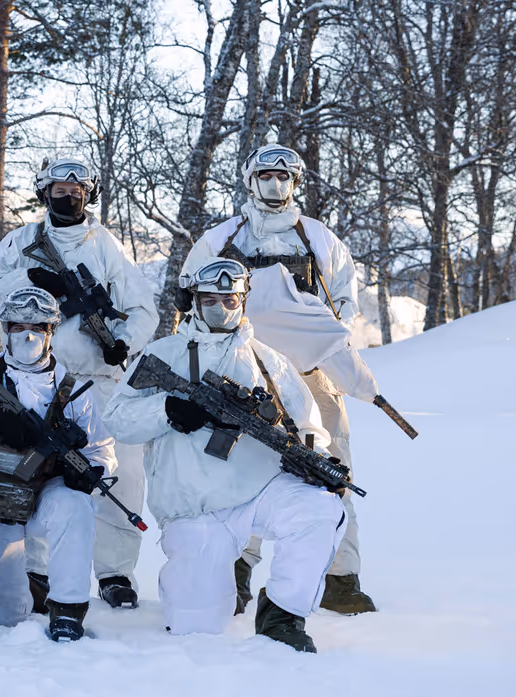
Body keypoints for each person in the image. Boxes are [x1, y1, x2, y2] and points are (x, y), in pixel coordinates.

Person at [103, 257, 345, 652]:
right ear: (194, 301)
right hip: (193, 507)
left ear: (243, 301)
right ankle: (210, 583)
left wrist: (314, 456)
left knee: (319, 508)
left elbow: (307, 424)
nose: (221, 308)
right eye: (210, 299)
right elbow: (117, 418)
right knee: (196, 631)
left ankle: (282, 615)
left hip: (259, 492)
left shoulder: (269, 361)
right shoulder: (163, 354)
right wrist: (165, 410)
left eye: (230, 299)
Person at [182, 144, 373, 615]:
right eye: (266, 176)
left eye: (284, 177)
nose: (276, 185)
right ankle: (237, 571)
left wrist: (320, 339)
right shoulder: (221, 240)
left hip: (313, 377)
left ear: (296, 183)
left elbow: (345, 304)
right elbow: (190, 301)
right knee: (244, 469)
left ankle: (339, 577)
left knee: (331, 468)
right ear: (250, 181)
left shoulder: (319, 239)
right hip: (245, 378)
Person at [0, 158, 158, 611]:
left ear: (89, 194)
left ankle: (114, 573)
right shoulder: (21, 242)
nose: (68, 194)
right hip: (39, 380)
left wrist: (124, 343)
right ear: (43, 191)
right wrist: (31, 279)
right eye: (59, 186)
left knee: (120, 476)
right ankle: (38, 572)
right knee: (37, 471)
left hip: (102, 381)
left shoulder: (106, 246)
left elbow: (143, 310)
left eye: (77, 188)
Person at [0, 288, 116, 641]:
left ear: (51, 331)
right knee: (3, 617)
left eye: (37, 326)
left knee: (76, 504)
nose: (28, 334)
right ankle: (29, 588)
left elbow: (101, 449)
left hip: (47, 495)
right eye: (18, 326)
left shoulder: (72, 387)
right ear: (5, 329)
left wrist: (92, 473)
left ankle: (67, 608)